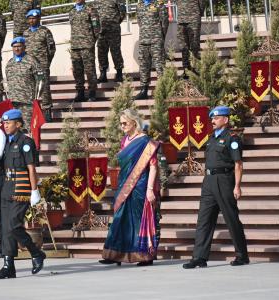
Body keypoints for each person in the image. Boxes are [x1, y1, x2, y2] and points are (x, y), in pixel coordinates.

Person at [183, 106, 249, 269]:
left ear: (225, 120)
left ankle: (242, 255)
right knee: (204, 219)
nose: (212, 121)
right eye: (212, 118)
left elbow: (238, 164)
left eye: (216, 118)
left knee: (231, 218)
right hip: (209, 181)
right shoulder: (211, 138)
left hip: (225, 180)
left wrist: (237, 186)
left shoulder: (232, 139)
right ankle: (199, 257)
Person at [100, 109, 160, 266]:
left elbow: (153, 166)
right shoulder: (124, 140)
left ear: (134, 122)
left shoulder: (145, 141)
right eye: (120, 124)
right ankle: (114, 254)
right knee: (120, 218)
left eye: (124, 123)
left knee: (139, 220)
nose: (122, 126)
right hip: (124, 184)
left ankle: (144, 256)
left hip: (140, 185)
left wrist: (149, 189)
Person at [0, 109, 45, 280]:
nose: (5, 125)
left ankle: (36, 253)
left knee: (14, 225)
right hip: (6, 189)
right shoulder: (4, 143)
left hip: (21, 190)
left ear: (18, 124)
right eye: (4, 123)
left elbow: (31, 168)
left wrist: (34, 190)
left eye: (9, 123)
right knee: (6, 229)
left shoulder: (25, 142)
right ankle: (9, 266)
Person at [23, 9, 56, 121]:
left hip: (42, 64)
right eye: (30, 18)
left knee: (44, 88)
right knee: (31, 88)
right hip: (29, 66)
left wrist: (46, 61)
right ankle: (34, 112)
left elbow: (51, 49)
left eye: (34, 18)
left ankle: (47, 110)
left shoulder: (45, 31)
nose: (32, 20)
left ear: (39, 18)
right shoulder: (25, 33)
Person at [6, 37, 43, 130]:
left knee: (28, 127)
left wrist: (37, 97)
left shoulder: (32, 60)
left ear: (24, 47)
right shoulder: (10, 62)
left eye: (19, 46)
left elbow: (41, 79)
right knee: (15, 129)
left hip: (27, 101)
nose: (16, 49)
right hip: (13, 101)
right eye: (14, 47)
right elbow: (8, 80)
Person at [134, 0, 169, 100]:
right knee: (144, 66)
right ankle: (144, 90)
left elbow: (164, 23)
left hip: (156, 40)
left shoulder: (159, 5)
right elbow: (139, 21)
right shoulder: (139, 5)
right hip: (143, 40)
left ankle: (163, 90)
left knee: (160, 66)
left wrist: (161, 36)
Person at [69, 0, 100, 102]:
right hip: (75, 46)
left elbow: (96, 28)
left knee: (90, 70)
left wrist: (91, 41)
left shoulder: (91, 10)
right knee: (77, 71)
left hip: (87, 45)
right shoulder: (71, 11)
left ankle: (92, 92)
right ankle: (80, 92)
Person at [94, 0, 126, 83]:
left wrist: (115, 23)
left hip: (113, 30)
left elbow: (123, 12)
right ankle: (103, 74)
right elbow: (94, 15)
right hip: (101, 31)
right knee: (101, 52)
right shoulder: (96, 1)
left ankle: (119, 74)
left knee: (115, 51)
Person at [176, 0, 204, 79]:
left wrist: (197, 13)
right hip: (181, 20)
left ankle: (197, 69)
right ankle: (186, 70)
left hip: (193, 19)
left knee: (194, 45)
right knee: (183, 47)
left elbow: (201, 4)